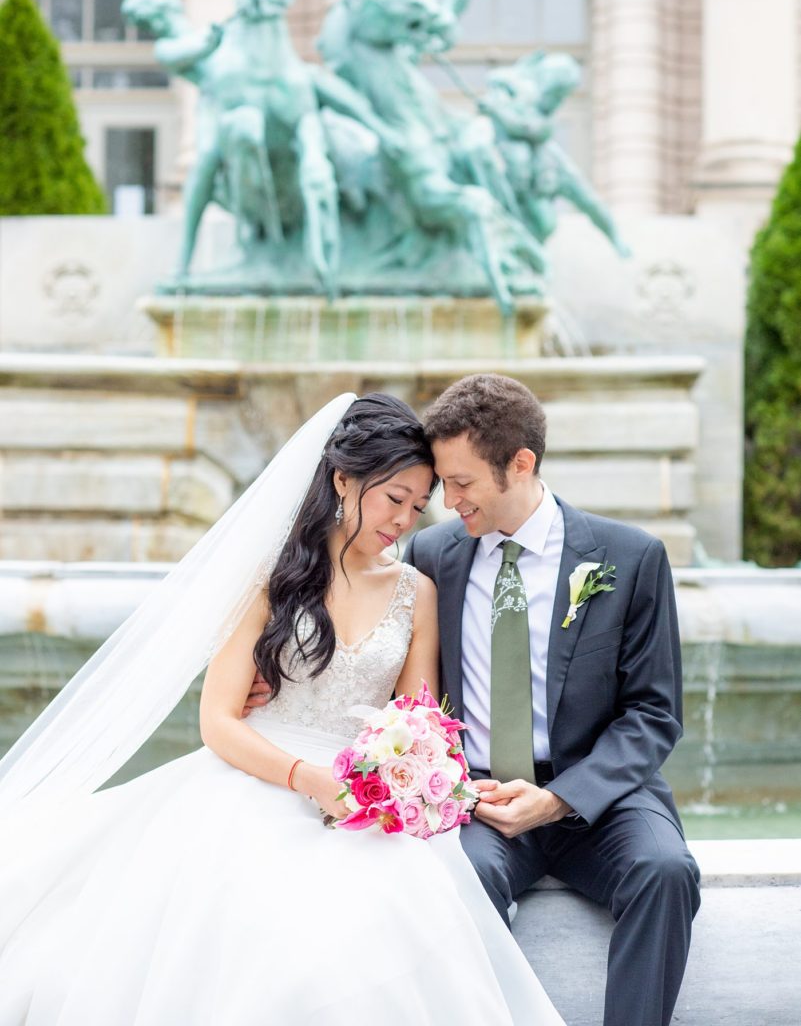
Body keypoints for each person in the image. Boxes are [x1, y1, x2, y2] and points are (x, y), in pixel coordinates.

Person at [0, 393, 564, 1026]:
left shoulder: (417, 592)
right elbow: (217, 722)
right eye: (392, 498)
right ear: (342, 479)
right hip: (253, 783)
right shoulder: (269, 579)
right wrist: (307, 779)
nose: (405, 520)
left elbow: (418, 720)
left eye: (417, 504)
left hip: (360, 803)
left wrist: (425, 781)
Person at [403, 373, 702, 1026]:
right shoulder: (430, 556)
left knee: (665, 871)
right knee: (454, 882)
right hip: (479, 802)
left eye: (461, 483)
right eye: (441, 482)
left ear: (520, 464)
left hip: (602, 799)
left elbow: (653, 714)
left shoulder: (629, 557)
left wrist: (561, 797)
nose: (445, 499)